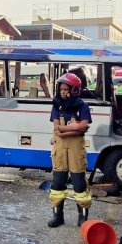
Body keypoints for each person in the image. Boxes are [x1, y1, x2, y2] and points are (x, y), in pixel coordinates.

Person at [47, 73, 92, 228]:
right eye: (61, 89)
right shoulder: (56, 105)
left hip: (75, 149)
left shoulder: (82, 106)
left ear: (74, 90)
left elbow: (83, 128)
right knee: (57, 183)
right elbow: (56, 129)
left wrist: (66, 129)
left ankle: (83, 218)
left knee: (79, 184)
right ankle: (58, 216)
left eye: (66, 89)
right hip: (60, 149)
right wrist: (74, 128)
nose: (62, 92)